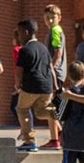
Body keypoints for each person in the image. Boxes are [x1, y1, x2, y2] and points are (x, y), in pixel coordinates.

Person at [11, 18, 55, 151]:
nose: (18, 36)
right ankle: (60, 114)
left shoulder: (24, 50)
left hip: (31, 86)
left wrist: (17, 85)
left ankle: (29, 141)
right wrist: (55, 86)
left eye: (19, 33)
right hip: (46, 87)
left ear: (25, 32)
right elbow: (51, 68)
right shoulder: (44, 48)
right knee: (41, 112)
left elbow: (19, 72)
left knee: (22, 109)